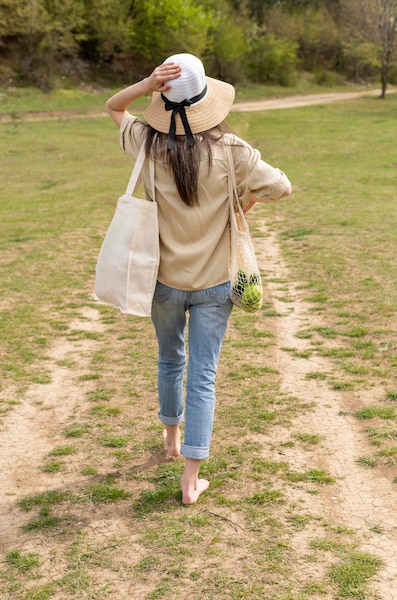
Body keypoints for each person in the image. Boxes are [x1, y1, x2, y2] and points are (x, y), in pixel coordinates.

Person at [106, 53, 291, 505]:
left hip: (162, 281)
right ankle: (190, 481)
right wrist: (238, 208)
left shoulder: (147, 144)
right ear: (208, 98)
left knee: (170, 359)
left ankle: (169, 441)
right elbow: (281, 186)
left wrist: (147, 84)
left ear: (163, 98)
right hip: (214, 284)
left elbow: (114, 106)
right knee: (202, 375)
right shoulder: (233, 151)